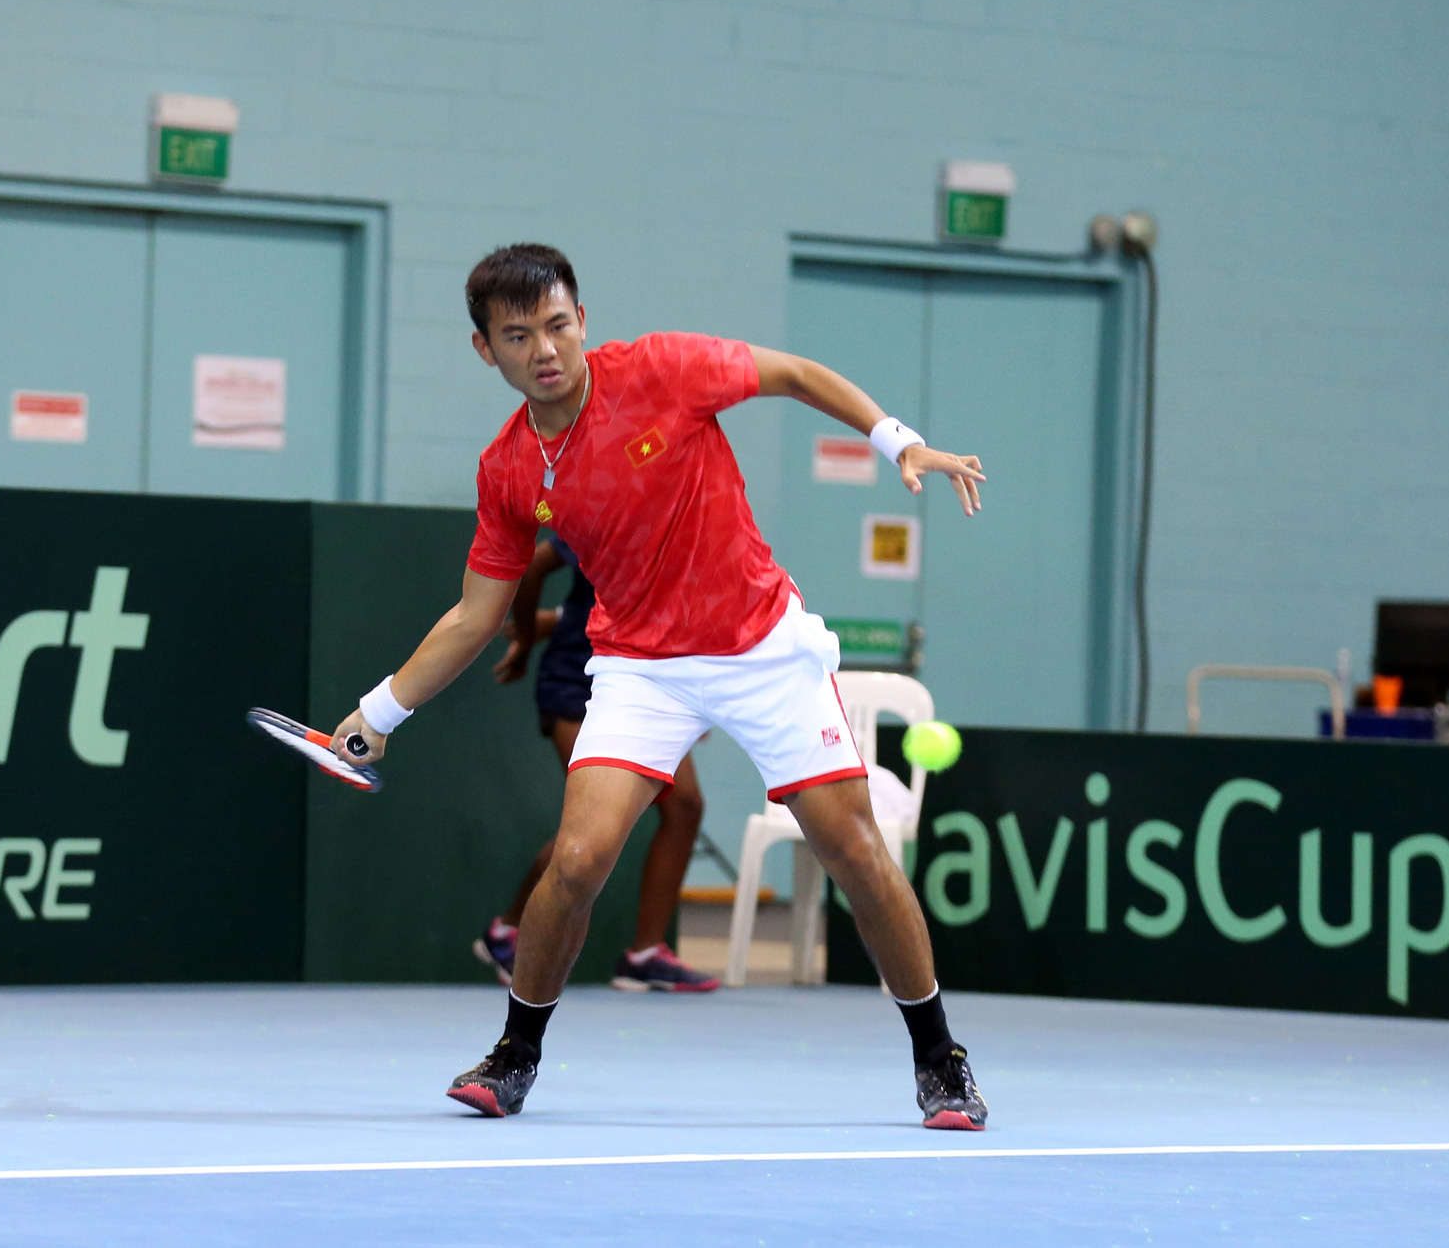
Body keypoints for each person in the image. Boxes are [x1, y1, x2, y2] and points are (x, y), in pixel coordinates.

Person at [330, 244, 988, 1130]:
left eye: (558, 324)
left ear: (583, 320)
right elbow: (475, 615)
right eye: (518, 335)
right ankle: (515, 1055)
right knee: (576, 859)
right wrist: (377, 714)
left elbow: (791, 372)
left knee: (855, 853)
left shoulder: (662, 369)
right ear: (487, 349)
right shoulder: (509, 470)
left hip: (761, 646)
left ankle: (939, 1058)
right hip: (643, 668)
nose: (546, 349)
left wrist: (897, 439)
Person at [478, 535, 718, 994]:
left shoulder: (696, 516)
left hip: (653, 681)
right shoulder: (612, 499)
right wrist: (528, 636)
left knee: (684, 805)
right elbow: (533, 568)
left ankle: (645, 955)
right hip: (579, 681)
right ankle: (508, 930)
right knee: (599, 819)